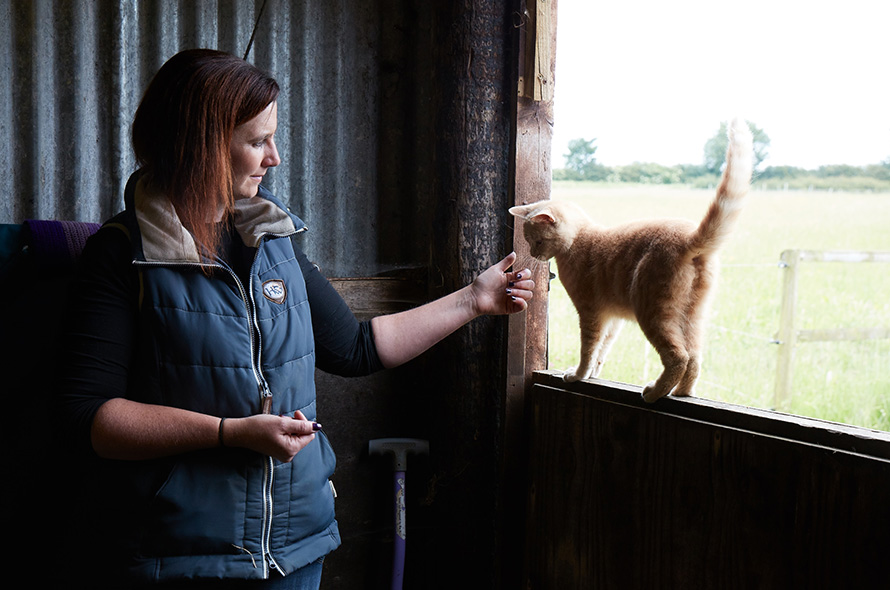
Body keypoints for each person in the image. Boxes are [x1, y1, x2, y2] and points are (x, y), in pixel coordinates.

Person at [56, 48, 534, 589]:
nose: (275, 157)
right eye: (257, 141)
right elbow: (90, 418)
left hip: (297, 547)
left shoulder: (272, 241)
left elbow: (354, 348)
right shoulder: (122, 256)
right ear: (203, 146)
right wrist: (229, 434)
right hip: (184, 557)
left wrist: (474, 300)